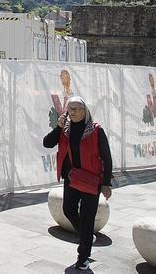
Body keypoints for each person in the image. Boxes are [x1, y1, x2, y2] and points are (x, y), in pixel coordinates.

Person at [43, 95, 113, 271]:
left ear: (85, 111)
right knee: (68, 209)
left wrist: (106, 184)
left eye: (76, 109)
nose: (72, 112)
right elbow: (47, 143)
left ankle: (83, 257)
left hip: (91, 180)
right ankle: (86, 236)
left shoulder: (96, 131)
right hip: (72, 178)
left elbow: (106, 157)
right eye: (69, 109)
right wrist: (58, 127)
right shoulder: (65, 130)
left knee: (88, 218)